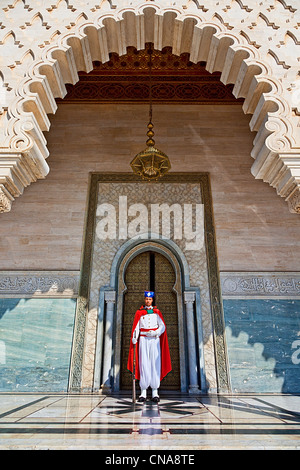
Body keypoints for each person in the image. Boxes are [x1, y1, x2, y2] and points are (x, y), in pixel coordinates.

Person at [127, 291, 172, 402]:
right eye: (146, 299)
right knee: (144, 363)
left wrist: (156, 332)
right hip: (143, 339)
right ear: (144, 300)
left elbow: (162, 327)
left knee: (154, 363)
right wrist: (134, 337)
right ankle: (143, 392)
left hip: (154, 340)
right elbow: (136, 327)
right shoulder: (139, 313)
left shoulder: (157, 312)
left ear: (152, 300)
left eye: (150, 299)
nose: (148, 301)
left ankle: (155, 392)